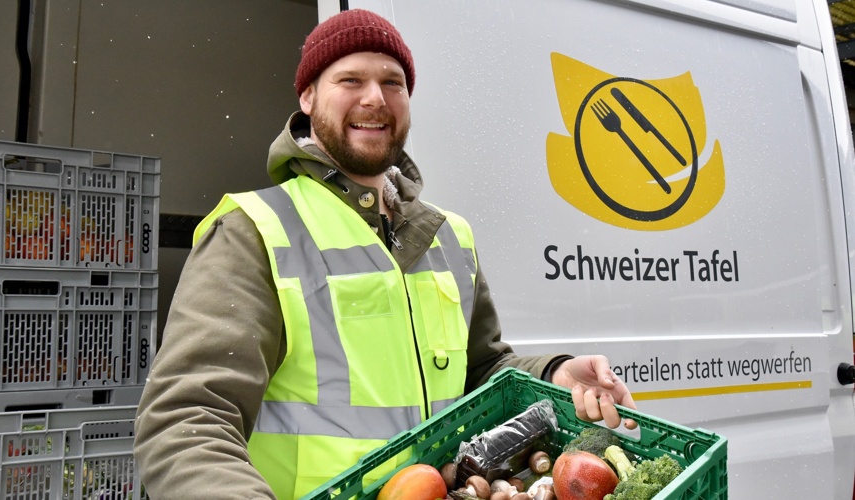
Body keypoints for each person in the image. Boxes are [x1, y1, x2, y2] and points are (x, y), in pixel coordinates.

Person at [134, 8, 637, 500]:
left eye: (392, 82)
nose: (375, 98)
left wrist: (551, 374)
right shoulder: (253, 232)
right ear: (308, 97)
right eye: (350, 79)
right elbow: (187, 422)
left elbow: (480, 374)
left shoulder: (450, 237)